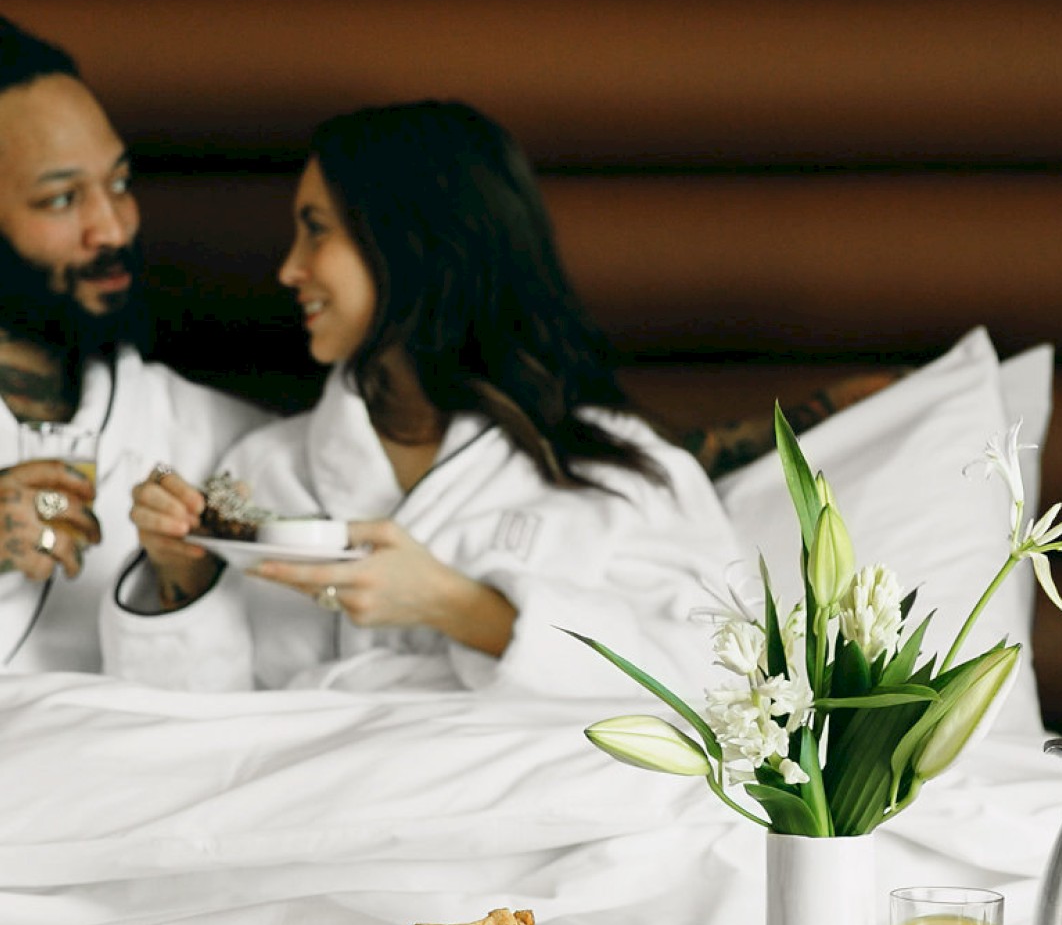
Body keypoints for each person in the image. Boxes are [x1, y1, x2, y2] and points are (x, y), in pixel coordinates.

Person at [104, 101, 744, 697]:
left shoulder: (619, 475)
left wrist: (459, 607)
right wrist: (180, 579)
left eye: (317, 231)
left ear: (411, 245)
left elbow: (726, 678)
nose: (289, 270)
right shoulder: (263, 472)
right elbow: (186, 734)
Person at [0, 16, 266, 673]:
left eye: (118, 184)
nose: (113, 228)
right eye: (62, 200)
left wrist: (184, 589)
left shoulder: (224, 444)